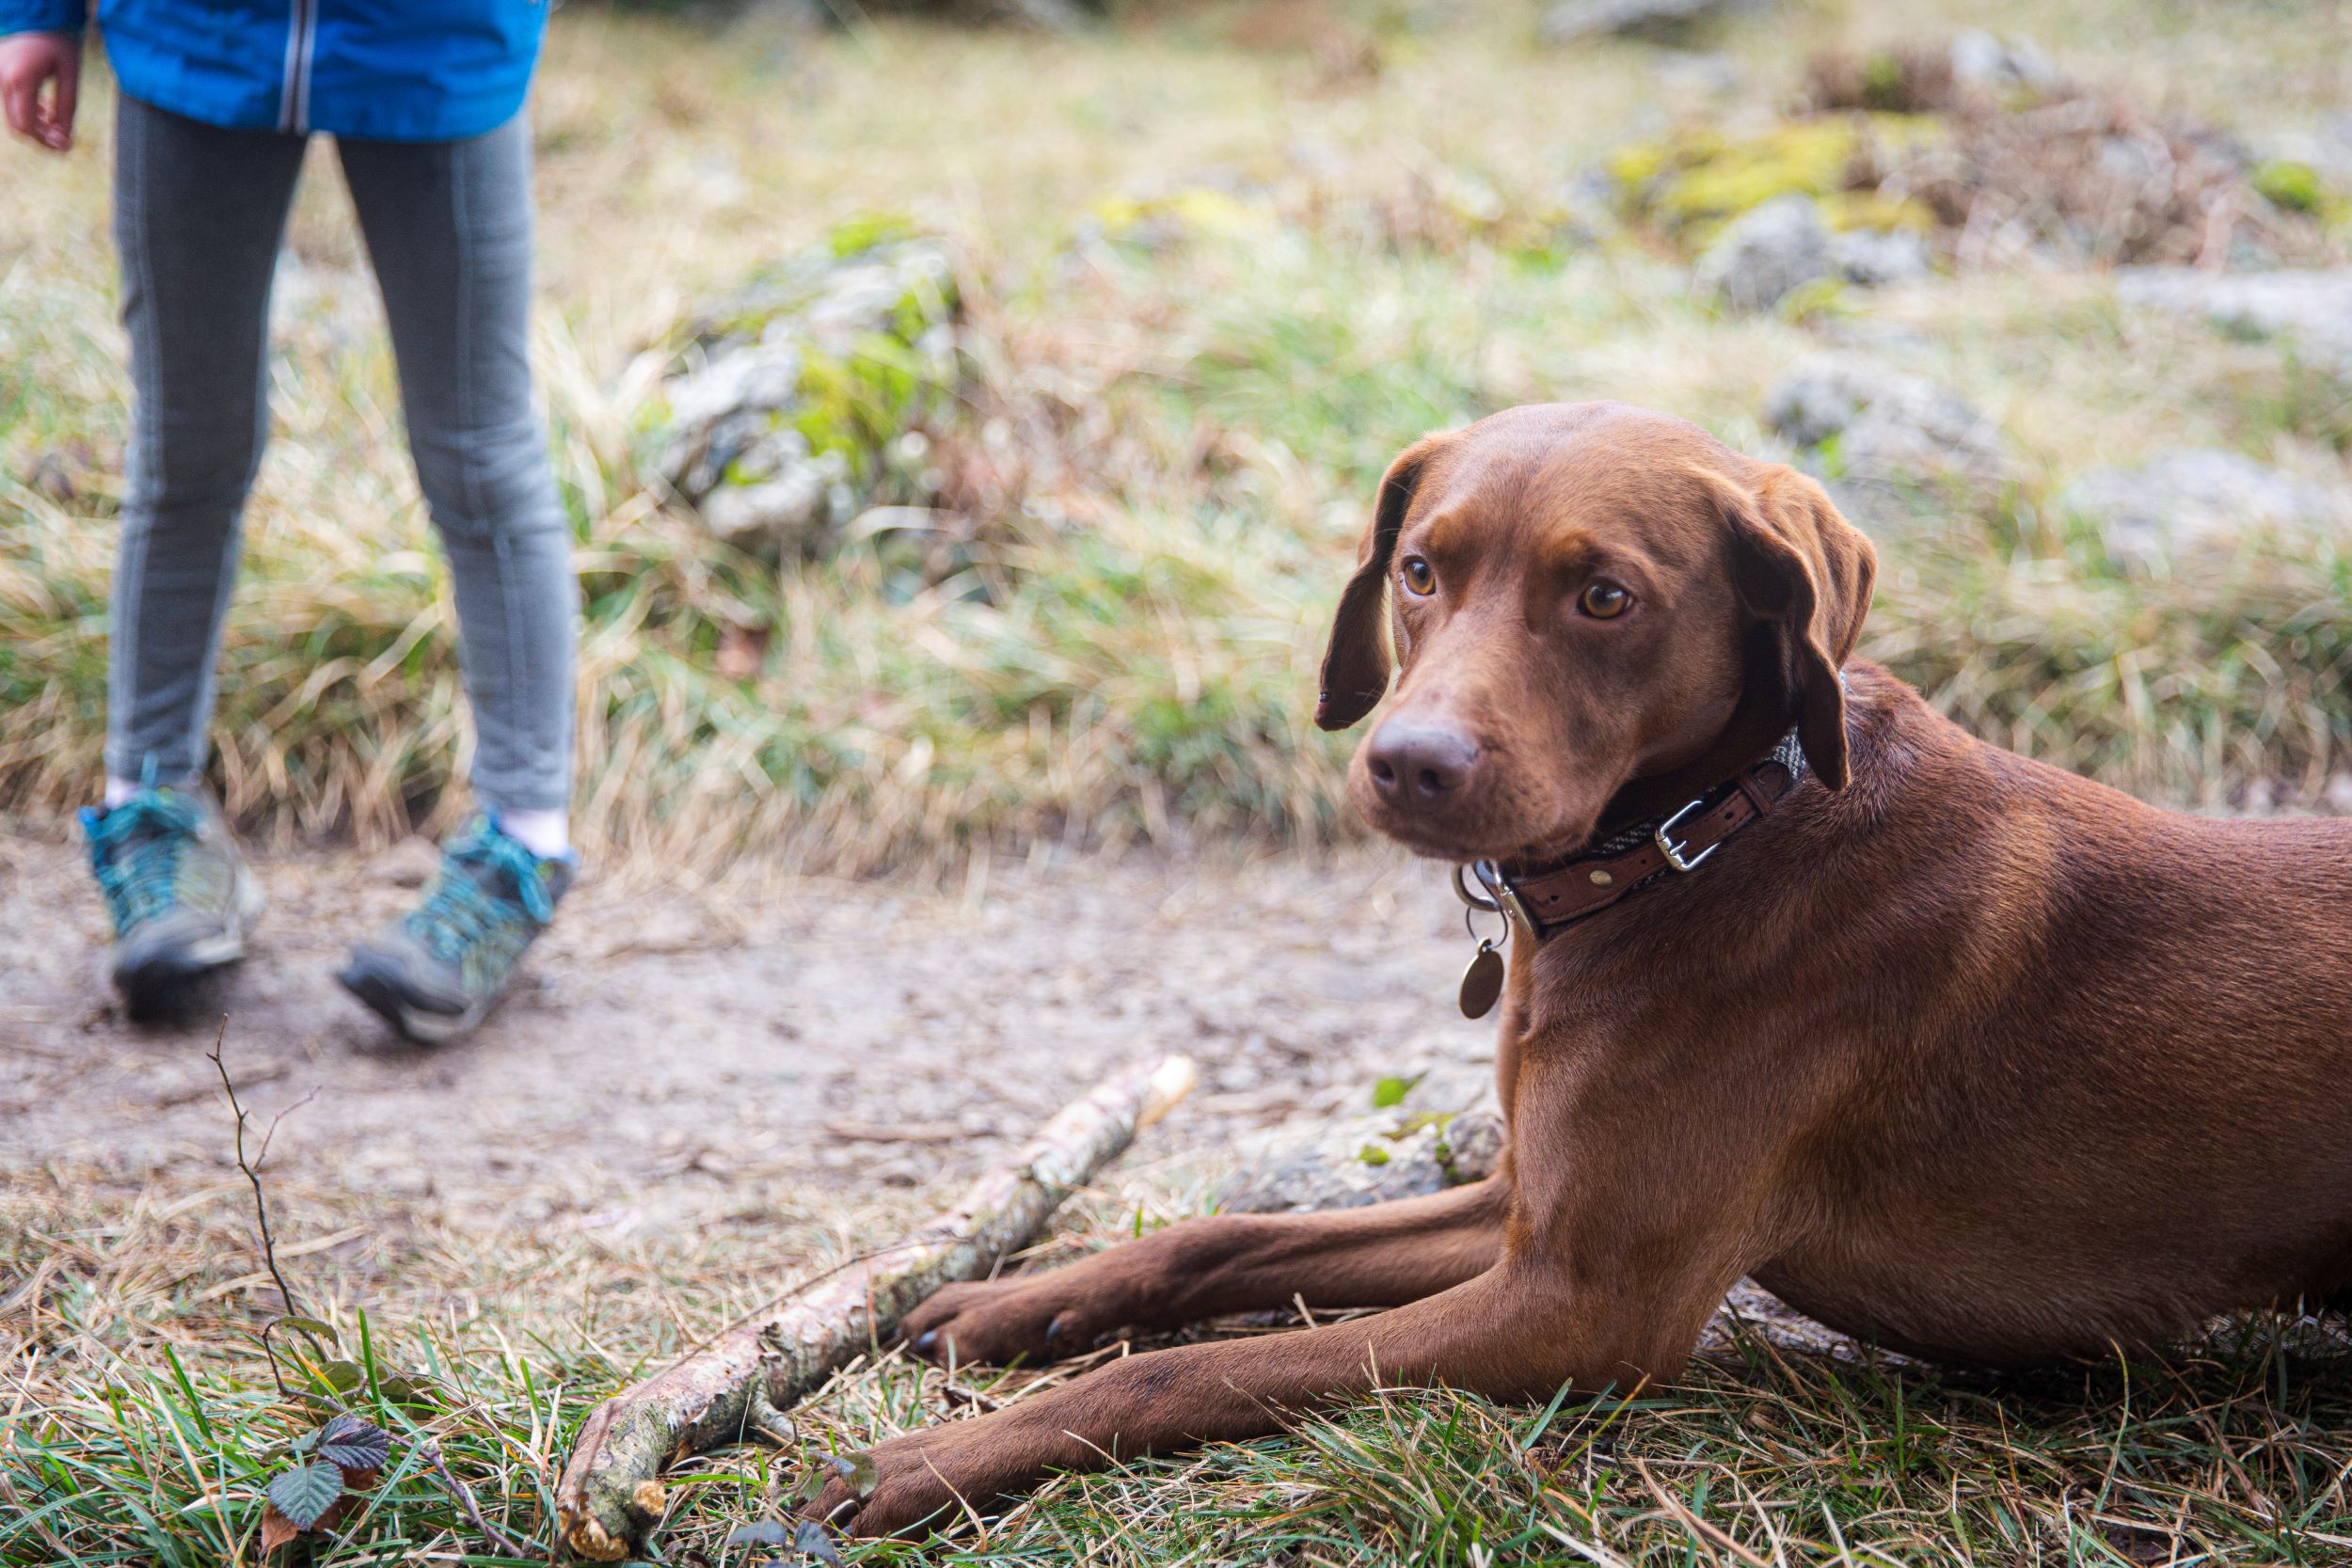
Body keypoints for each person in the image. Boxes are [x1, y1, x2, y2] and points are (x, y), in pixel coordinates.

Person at [1, 2, 580, 1043]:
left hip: (441, 43)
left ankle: (522, 848)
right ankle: (150, 816)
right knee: (186, 444)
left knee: (481, 460)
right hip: (194, 36)